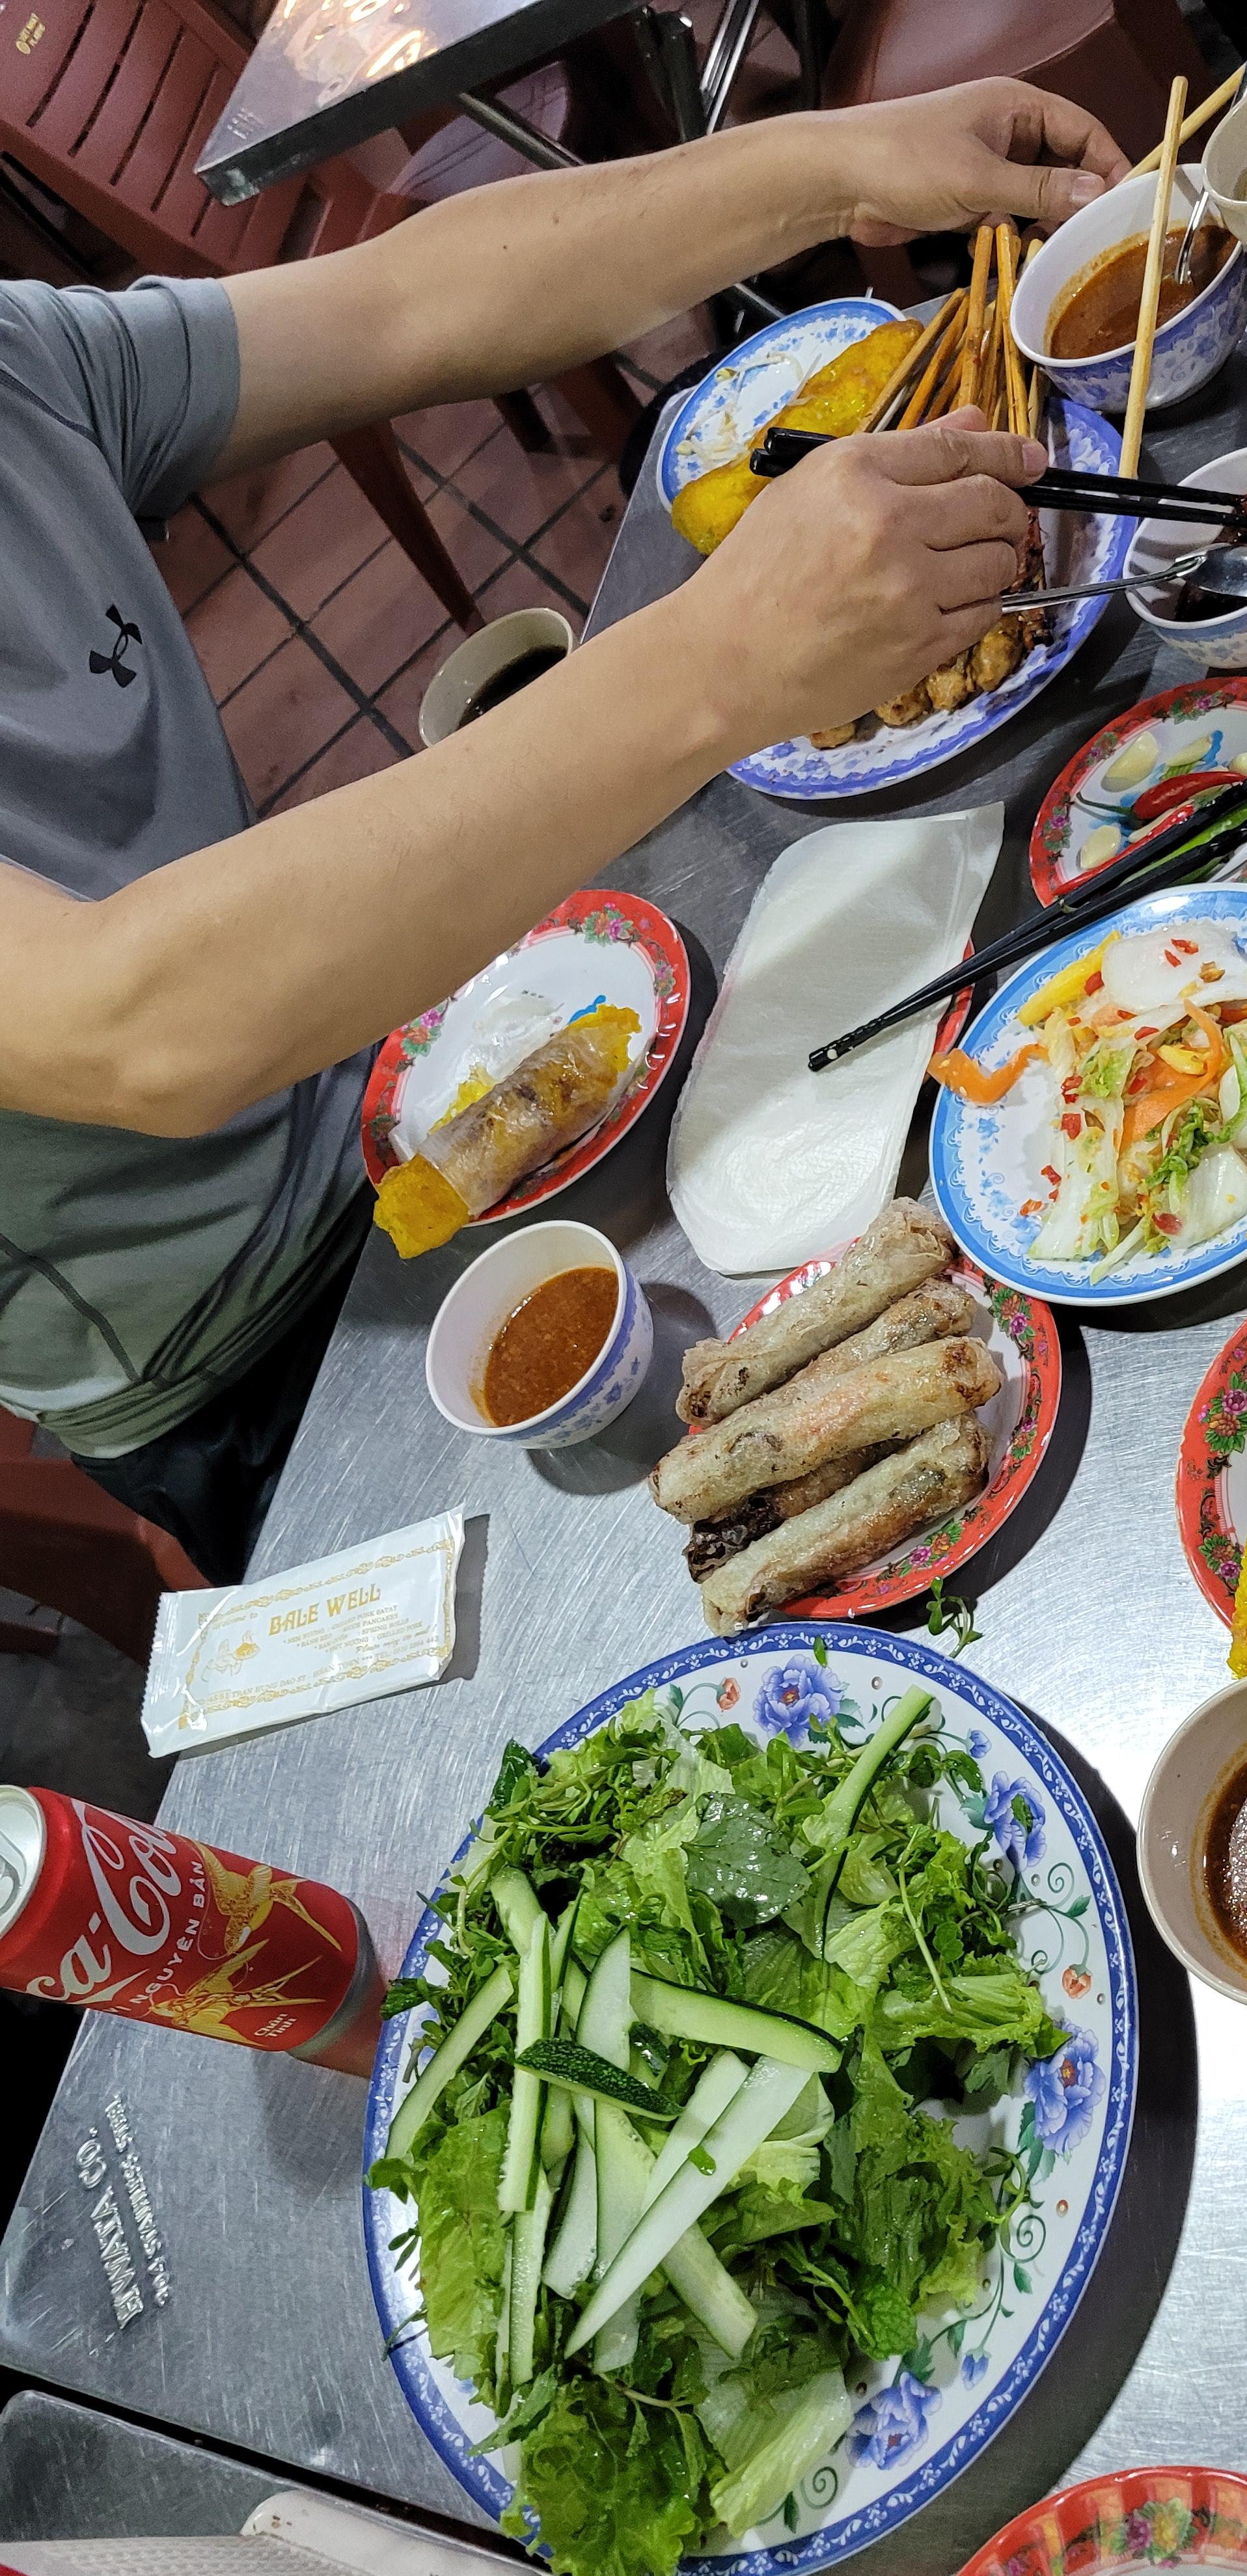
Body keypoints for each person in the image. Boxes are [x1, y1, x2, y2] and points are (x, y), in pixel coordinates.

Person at [0, 79, 1127, 1585]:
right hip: (245, 1355)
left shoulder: (18, 366)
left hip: (413, 1071)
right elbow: (140, 1024)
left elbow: (402, 304)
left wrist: (833, 159)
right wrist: (725, 656)